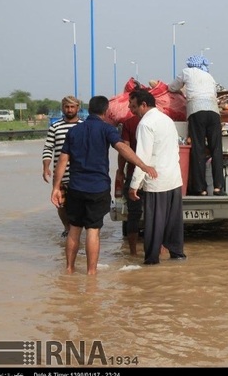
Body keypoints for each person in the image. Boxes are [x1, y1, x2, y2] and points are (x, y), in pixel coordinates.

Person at [50, 96, 157, 275]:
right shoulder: (107, 129)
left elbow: (62, 159)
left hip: (76, 187)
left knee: (74, 229)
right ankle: (91, 273)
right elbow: (122, 148)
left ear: (88, 110)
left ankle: (69, 270)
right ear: (106, 111)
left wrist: (56, 187)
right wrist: (143, 165)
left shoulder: (74, 131)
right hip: (97, 189)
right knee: (93, 231)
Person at [127, 89, 186, 265]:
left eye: (134, 106)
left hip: (156, 180)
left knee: (154, 224)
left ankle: (152, 260)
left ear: (144, 105)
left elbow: (142, 157)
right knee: (173, 222)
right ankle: (177, 255)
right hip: (174, 178)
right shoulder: (167, 120)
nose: (132, 110)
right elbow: (176, 149)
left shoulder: (146, 124)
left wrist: (134, 185)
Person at [168, 54, 225, 196]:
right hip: (213, 112)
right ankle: (218, 187)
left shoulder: (186, 72)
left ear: (190, 64)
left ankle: (201, 188)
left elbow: (173, 87)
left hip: (196, 111)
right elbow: (214, 94)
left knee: (198, 149)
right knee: (216, 149)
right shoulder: (209, 76)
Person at [42, 96, 83, 237]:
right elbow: (48, 148)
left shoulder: (83, 126)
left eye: (72, 107)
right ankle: (67, 228)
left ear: (78, 108)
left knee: (79, 205)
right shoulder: (55, 127)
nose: (70, 109)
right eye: (67, 107)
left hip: (80, 175)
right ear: (62, 108)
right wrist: (45, 167)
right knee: (61, 204)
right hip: (61, 175)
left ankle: (76, 229)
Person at [115, 102, 142, 256]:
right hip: (155, 175)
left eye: (132, 106)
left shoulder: (129, 123)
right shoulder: (163, 121)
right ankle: (158, 250)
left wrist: (120, 170)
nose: (130, 109)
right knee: (156, 213)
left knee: (133, 214)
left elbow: (124, 149)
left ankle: (133, 253)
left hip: (134, 173)